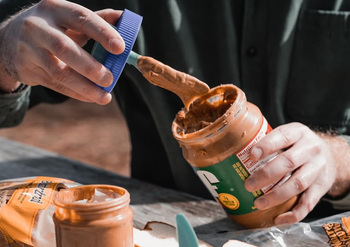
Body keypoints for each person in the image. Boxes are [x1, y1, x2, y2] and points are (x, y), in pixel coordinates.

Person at [1, 0, 350, 226]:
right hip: (170, 235)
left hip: (332, 239)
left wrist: (338, 158)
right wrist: (6, 54)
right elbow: (27, 46)